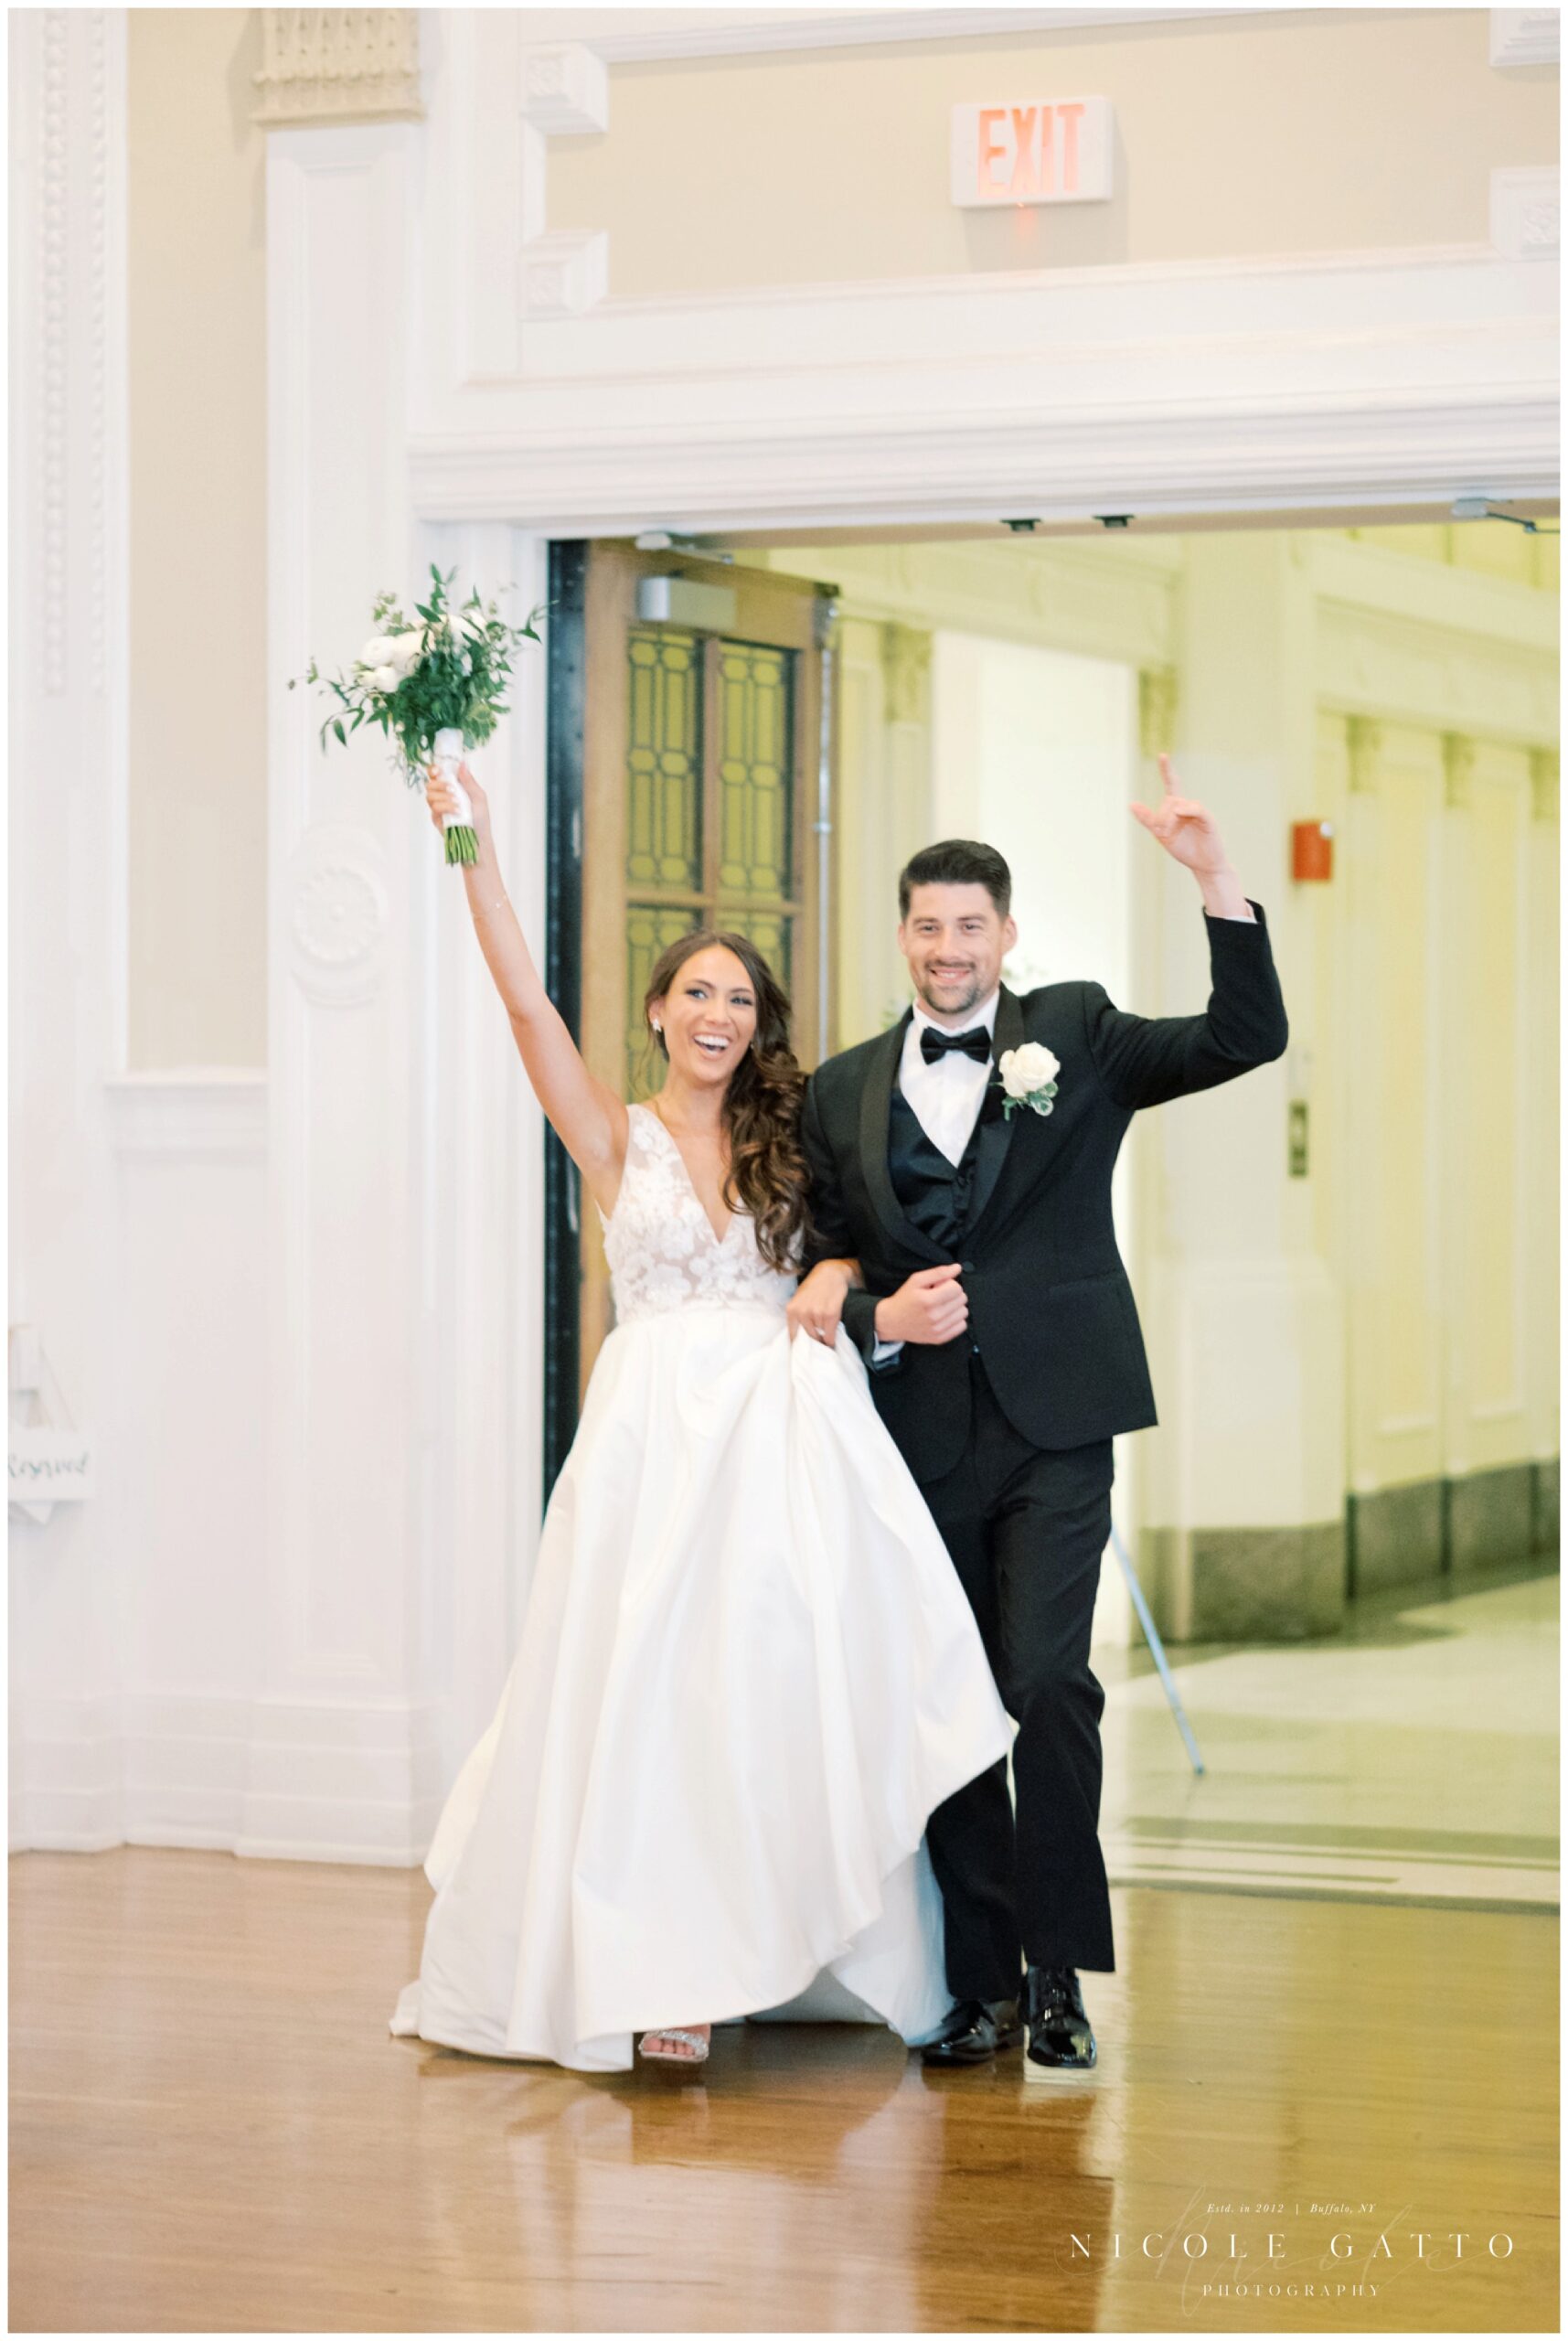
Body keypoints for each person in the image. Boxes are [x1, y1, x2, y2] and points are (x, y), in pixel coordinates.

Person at [389, 758, 1011, 2074]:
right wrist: (475, 847)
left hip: (782, 1441)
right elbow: (519, 1000)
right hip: (656, 1443)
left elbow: (840, 1254)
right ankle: (661, 1972)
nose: (719, 1014)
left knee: (772, 1689)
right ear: (662, 1013)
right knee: (653, 1699)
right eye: (698, 994)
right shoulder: (614, 1140)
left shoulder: (798, 1134)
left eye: (740, 998)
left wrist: (838, 1277)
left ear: (755, 1021)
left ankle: (796, 1939)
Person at [791, 757, 1288, 2075]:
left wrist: (1214, 880)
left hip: (1060, 1425)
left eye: (972, 927)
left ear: (1008, 937)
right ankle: (984, 1984)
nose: (949, 949)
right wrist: (871, 1315)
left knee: (1047, 1686)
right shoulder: (841, 1090)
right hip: (921, 1438)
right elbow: (818, 1257)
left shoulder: (1076, 1029)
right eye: (928, 926)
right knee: (952, 1705)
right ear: (902, 937)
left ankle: (1060, 1976)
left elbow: (1243, 1040)